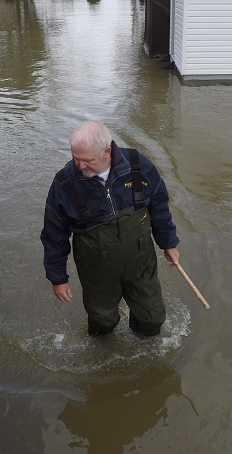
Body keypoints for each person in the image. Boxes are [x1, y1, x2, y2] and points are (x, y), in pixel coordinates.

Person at [41, 120, 180, 336]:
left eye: (87, 160)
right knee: (102, 324)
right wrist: (58, 278)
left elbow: (159, 204)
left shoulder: (137, 164)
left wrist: (168, 243)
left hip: (140, 262)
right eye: (75, 158)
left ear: (107, 151)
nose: (80, 166)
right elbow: (53, 235)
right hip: (97, 270)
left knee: (152, 320)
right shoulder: (64, 183)